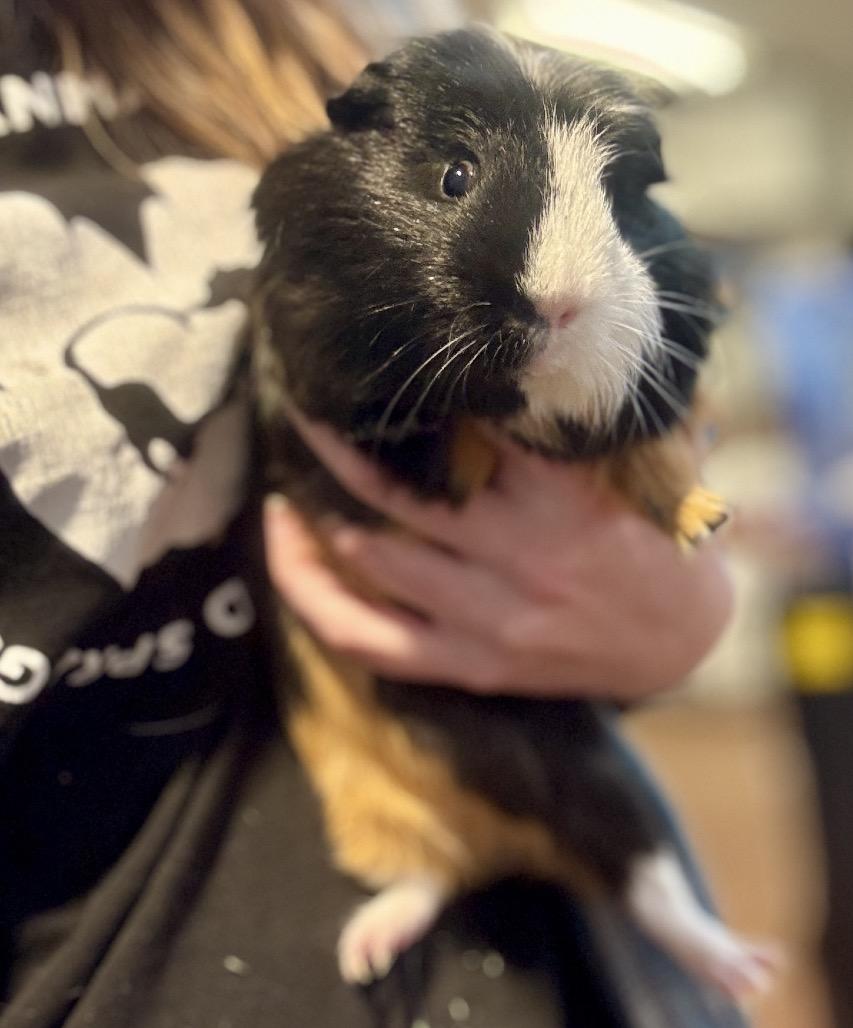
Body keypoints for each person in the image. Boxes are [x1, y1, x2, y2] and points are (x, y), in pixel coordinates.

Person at [0, 1, 740, 1025]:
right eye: (454, 182)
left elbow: (666, 464)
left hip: (555, 950)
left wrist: (673, 607)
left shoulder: (342, 17)